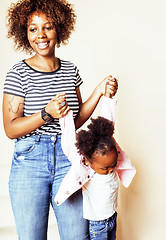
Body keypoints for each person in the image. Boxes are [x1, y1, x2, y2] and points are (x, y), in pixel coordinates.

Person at [2, 0, 118, 239]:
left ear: (60, 29)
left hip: (69, 159)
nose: (40, 35)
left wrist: (98, 91)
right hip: (30, 162)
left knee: (77, 236)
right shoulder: (18, 73)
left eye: (48, 27)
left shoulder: (69, 70)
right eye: (33, 29)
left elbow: (74, 121)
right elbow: (11, 129)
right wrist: (46, 114)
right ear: (24, 33)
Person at [55, 92, 136, 239]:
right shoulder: (85, 168)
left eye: (113, 164)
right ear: (87, 161)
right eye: (105, 168)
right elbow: (68, 142)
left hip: (112, 217)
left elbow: (107, 122)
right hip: (98, 225)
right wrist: (64, 114)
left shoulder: (107, 154)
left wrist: (108, 99)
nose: (111, 169)